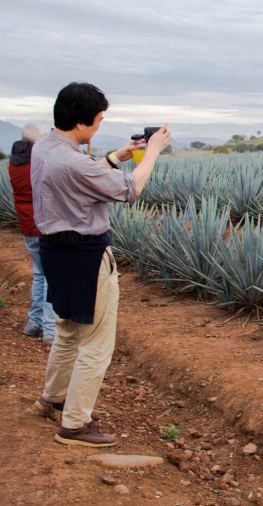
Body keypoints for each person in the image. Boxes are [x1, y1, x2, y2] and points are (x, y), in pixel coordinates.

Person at [31, 82, 171, 447]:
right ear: (82, 122)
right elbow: (130, 190)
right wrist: (152, 152)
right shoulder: (74, 161)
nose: (98, 124)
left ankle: (53, 398)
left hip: (55, 252)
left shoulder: (45, 147)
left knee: (67, 330)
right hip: (86, 256)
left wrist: (115, 156)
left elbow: (79, 178)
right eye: (97, 119)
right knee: (95, 342)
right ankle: (75, 424)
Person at [8, 123, 57, 343]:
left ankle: (34, 323)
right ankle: (50, 330)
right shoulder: (38, 163)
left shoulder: (14, 164)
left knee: (39, 274)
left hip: (27, 225)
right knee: (51, 277)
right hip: (44, 224)